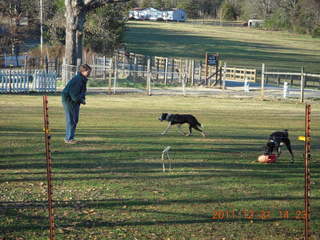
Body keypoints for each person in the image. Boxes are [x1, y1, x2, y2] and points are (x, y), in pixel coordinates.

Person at [61, 64, 91, 144]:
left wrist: (82, 99)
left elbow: (81, 91)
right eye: (88, 72)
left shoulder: (82, 79)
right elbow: (74, 95)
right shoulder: (78, 80)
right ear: (83, 71)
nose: (89, 73)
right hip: (69, 100)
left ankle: (70, 137)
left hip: (74, 100)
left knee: (75, 119)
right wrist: (81, 100)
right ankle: (68, 138)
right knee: (71, 119)